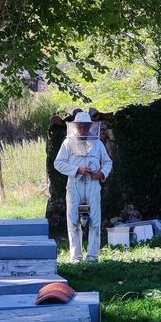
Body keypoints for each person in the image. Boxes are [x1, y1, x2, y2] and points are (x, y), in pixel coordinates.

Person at [53, 110, 113, 263]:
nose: (83, 128)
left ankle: (92, 257)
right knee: (73, 222)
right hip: (75, 185)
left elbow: (108, 162)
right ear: (75, 126)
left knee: (95, 222)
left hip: (93, 185)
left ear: (89, 127)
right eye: (80, 126)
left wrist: (101, 173)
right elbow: (58, 163)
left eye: (85, 126)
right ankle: (76, 258)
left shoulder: (97, 144)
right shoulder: (67, 143)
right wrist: (77, 170)